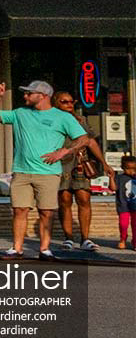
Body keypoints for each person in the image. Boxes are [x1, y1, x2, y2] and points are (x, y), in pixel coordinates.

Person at [0, 79, 89, 259]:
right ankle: (16, 248)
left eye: (29, 93)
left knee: (46, 212)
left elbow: (83, 139)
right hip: (22, 171)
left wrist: (64, 151)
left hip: (48, 173)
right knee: (19, 210)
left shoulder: (62, 117)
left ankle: (44, 249)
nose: (25, 96)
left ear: (42, 96)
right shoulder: (20, 113)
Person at [52, 88, 106, 251]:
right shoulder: (52, 119)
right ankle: (68, 238)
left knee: (84, 198)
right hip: (60, 163)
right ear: (56, 103)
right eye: (64, 102)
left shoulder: (80, 119)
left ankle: (85, 238)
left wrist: (103, 162)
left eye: (71, 102)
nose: (69, 105)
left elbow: (90, 141)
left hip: (80, 162)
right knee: (65, 200)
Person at [115, 154, 135, 251]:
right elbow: (113, 188)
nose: (131, 171)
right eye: (128, 168)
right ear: (122, 168)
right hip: (123, 206)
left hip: (135, 206)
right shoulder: (119, 178)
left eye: (134, 169)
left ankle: (135, 242)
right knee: (123, 224)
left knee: (135, 225)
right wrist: (111, 177)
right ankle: (123, 239)